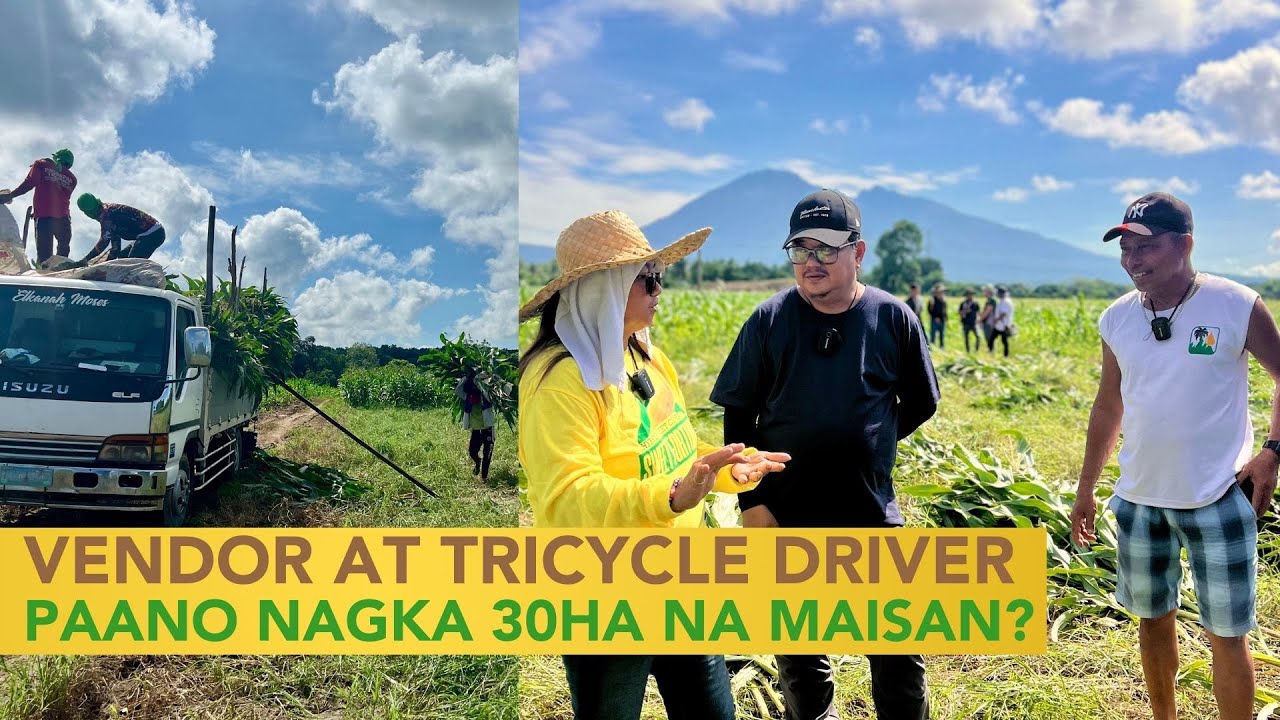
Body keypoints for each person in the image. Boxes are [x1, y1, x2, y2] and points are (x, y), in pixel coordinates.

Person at [518, 209, 791, 720]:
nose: (659, 287)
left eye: (658, 275)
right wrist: (667, 497)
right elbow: (568, 497)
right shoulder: (560, 383)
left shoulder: (646, 358)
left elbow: (679, 451)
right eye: (648, 277)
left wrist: (733, 468)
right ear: (606, 287)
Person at [711, 188, 940, 720]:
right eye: (801, 250)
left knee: (897, 647)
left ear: (858, 253)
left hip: (870, 510)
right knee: (799, 652)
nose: (811, 263)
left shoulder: (893, 318)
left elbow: (921, 402)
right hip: (786, 512)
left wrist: (871, 440)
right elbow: (739, 416)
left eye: (826, 250)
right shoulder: (769, 320)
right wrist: (753, 504)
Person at [1070, 192, 1280, 720]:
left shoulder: (1236, 305)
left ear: (1184, 244)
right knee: (1151, 618)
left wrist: (1272, 452)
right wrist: (1086, 487)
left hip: (1216, 496)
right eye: (1125, 248)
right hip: (1139, 500)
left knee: (1227, 634)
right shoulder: (1117, 318)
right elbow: (1107, 404)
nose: (1132, 260)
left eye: (1146, 246)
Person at [0, 149, 77, 264]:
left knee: (44, 256)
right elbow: (60, 197)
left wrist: (11, 195)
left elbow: (30, 183)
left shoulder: (41, 164)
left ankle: (45, 272)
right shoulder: (72, 179)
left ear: (57, 158)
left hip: (44, 217)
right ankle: (59, 271)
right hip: (63, 219)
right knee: (63, 254)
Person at [74, 193, 165, 263]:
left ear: (89, 213)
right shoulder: (110, 217)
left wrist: (85, 260)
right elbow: (115, 248)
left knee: (129, 264)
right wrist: (106, 264)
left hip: (153, 234)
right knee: (122, 258)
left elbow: (103, 242)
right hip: (148, 234)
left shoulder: (106, 216)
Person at [455, 370, 495, 481]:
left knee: (487, 454)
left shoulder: (486, 396)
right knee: (472, 452)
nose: (474, 390)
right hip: (476, 430)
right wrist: (467, 377)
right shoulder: (468, 398)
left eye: (476, 388)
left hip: (487, 430)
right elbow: (458, 390)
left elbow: (483, 386)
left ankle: (484, 478)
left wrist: (478, 378)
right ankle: (478, 462)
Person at [989, 287, 1014, 356]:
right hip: (999, 325)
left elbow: (1003, 313)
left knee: (1004, 342)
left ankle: (1005, 356)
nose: (997, 294)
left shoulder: (1006, 302)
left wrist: (996, 320)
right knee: (992, 340)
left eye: (998, 293)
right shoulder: (1001, 301)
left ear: (1001, 293)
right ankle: (992, 353)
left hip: (1004, 325)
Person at [926, 283, 947, 348]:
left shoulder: (943, 300)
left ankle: (941, 348)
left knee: (942, 336)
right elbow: (929, 310)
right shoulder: (932, 300)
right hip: (934, 320)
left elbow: (944, 311)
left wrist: (945, 318)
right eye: (940, 291)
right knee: (933, 336)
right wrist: (935, 318)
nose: (942, 292)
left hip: (942, 320)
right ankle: (931, 348)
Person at [977, 284, 997, 352]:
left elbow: (987, 311)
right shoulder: (989, 300)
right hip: (988, 322)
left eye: (984, 291)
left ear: (989, 292)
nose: (983, 292)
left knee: (989, 338)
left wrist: (979, 319)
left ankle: (991, 353)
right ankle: (991, 352)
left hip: (989, 323)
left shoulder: (991, 301)